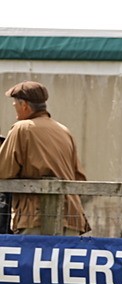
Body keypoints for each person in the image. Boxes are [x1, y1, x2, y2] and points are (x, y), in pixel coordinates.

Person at [0, 81, 90, 235]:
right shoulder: (64, 131)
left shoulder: (22, 128)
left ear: (25, 105)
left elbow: (3, 170)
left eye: (15, 102)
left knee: (30, 259)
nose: (13, 105)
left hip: (35, 218)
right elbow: (79, 177)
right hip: (72, 218)